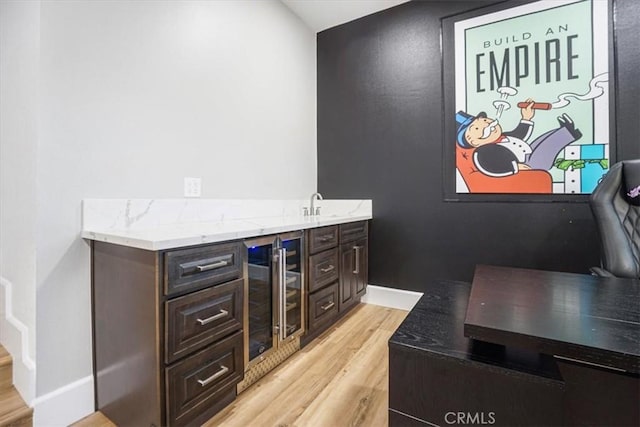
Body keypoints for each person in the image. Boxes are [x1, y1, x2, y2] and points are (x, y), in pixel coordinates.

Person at [456, 99, 582, 177]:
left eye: (483, 120)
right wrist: (515, 167)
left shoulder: (502, 136)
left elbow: (519, 134)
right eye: (477, 128)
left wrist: (526, 118)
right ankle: (568, 133)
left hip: (528, 154)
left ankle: (565, 130)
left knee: (540, 140)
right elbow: (489, 167)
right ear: (473, 141)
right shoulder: (482, 153)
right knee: (547, 146)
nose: (486, 124)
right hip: (529, 164)